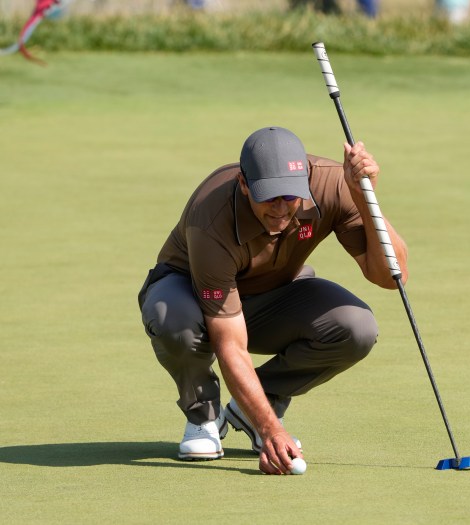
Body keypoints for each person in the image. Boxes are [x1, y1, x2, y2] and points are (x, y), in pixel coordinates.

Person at [138, 126, 408, 475]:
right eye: (269, 197)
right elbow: (230, 345)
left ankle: (256, 406)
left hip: (274, 295)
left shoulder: (334, 185)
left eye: (290, 197)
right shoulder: (212, 217)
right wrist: (272, 431)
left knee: (356, 328)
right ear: (244, 183)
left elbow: (390, 276)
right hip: (192, 295)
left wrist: (364, 197)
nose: (281, 209)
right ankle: (202, 418)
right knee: (171, 320)